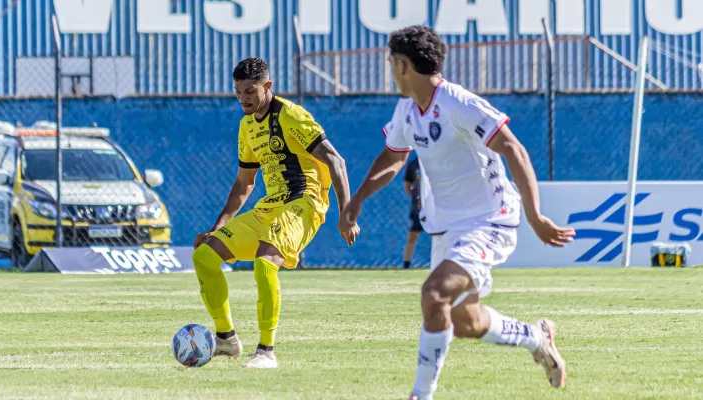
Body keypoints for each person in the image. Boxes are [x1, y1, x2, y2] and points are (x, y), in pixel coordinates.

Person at [338, 26, 575, 399]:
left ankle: (420, 395)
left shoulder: (458, 103)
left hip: (488, 221)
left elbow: (514, 149)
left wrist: (535, 217)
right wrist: (357, 200)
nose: (389, 70)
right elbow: (392, 157)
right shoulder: (407, 109)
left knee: (434, 294)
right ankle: (536, 337)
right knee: (465, 322)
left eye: (390, 62)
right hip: (447, 227)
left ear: (401, 65)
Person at [192, 57, 359, 369]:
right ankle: (226, 340)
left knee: (265, 261)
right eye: (238, 92)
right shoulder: (246, 126)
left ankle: (266, 352)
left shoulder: (291, 115)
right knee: (204, 256)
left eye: (250, 91)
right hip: (271, 206)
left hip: (305, 202)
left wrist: (347, 214)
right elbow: (244, 183)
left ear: (267, 86)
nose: (243, 98)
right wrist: (217, 227)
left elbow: (336, 161)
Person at [402, 157, 424, 268]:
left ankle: (444, 265)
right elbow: (407, 184)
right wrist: (416, 197)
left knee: (441, 237)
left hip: (437, 209)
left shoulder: (438, 160)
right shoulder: (413, 164)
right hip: (418, 209)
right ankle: (406, 266)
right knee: (412, 236)